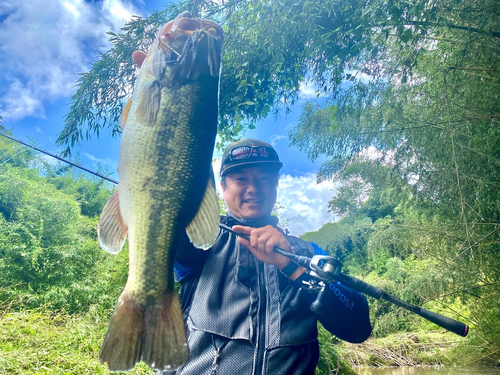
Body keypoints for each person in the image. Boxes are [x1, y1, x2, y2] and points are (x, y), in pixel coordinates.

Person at [166, 139, 372, 374]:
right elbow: (185, 187)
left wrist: (293, 268)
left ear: (276, 184)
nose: (253, 188)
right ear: (222, 187)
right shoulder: (201, 242)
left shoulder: (308, 253)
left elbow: (357, 328)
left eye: (264, 178)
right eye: (240, 179)